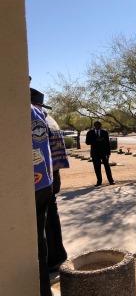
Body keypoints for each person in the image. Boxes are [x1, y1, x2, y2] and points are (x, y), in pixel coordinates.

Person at [30, 88, 53, 296]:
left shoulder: (26, 112)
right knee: (40, 239)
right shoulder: (38, 114)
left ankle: (42, 289)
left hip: (35, 186)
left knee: (36, 243)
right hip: (44, 183)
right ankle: (43, 288)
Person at [45, 114, 69, 273]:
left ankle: (54, 257)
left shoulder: (37, 119)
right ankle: (56, 255)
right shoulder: (49, 119)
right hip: (53, 175)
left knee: (48, 218)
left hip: (44, 178)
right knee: (51, 215)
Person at [85, 121, 115, 186]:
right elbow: (87, 142)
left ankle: (111, 181)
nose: (97, 126)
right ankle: (99, 182)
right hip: (95, 153)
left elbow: (107, 143)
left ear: (100, 126)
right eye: (96, 125)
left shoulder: (105, 132)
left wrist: (108, 153)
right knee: (97, 168)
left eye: (99, 125)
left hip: (104, 152)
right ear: (94, 126)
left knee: (107, 167)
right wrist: (96, 140)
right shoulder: (90, 133)